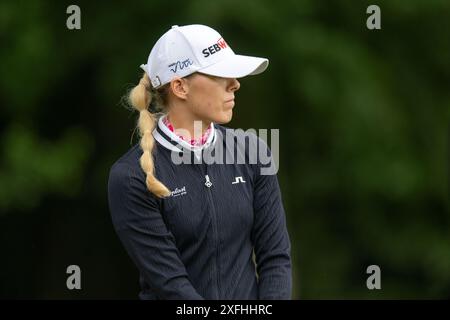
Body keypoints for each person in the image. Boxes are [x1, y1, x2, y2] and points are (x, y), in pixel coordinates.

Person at [107, 24, 292, 300]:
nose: (235, 84)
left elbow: (275, 259)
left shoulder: (253, 152)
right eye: (220, 74)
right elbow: (172, 287)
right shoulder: (131, 176)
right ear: (180, 87)